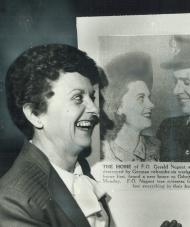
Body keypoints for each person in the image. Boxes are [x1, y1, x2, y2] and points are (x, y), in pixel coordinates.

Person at [0, 44, 110, 227]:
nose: (94, 109)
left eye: (92, 97)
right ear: (35, 114)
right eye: (77, 98)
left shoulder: (81, 171)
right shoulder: (13, 200)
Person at [100, 52, 160, 161]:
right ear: (118, 106)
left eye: (149, 97)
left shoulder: (158, 148)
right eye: (141, 98)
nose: (151, 105)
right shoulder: (103, 153)